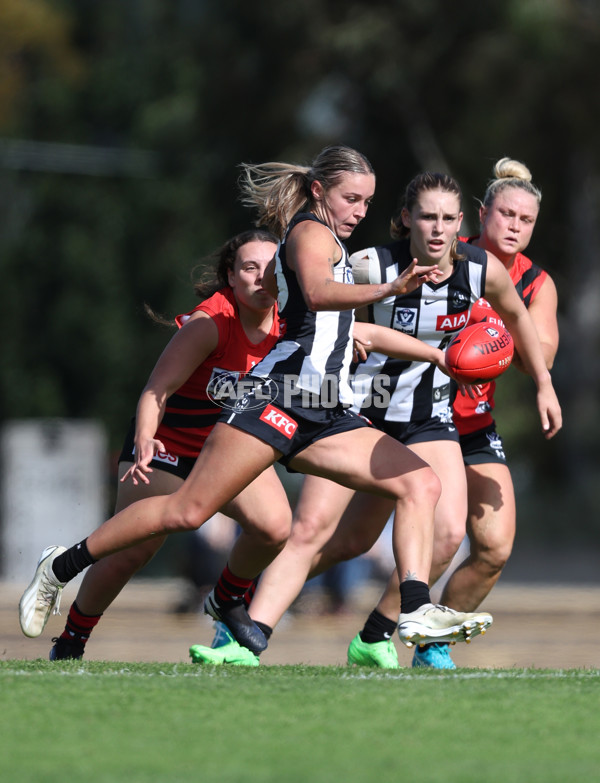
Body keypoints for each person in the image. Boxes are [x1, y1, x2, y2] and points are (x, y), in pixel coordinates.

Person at [19, 145, 494, 659]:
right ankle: (60, 566)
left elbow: (330, 314)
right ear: (318, 191)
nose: (360, 210)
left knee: (420, 482)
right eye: (351, 198)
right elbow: (314, 292)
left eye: (366, 201)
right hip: (281, 395)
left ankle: (415, 608)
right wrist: (390, 286)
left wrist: (439, 357)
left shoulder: (326, 239)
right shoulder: (313, 232)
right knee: (187, 511)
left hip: (326, 408)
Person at [191, 168, 561, 668]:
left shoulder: (480, 270)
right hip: (359, 409)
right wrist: (348, 335)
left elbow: (518, 318)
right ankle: (241, 636)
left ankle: (377, 633)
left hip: (429, 416)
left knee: (448, 533)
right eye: (427, 216)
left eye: (447, 218)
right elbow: (307, 303)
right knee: (325, 532)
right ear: (406, 218)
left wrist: (543, 384)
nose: (437, 228)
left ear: (460, 225)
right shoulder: (371, 265)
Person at [347, 157, 559, 669]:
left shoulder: (533, 284)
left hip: (472, 423)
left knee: (493, 546)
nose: (513, 226)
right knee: (344, 540)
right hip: (404, 415)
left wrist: (490, 342)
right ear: (478, 215)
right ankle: (253, 604)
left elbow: (542, 354)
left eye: (525, 220)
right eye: (505, 214)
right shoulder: (443, 256)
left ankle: (423, 641)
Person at [49, 229, 284, 664]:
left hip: (228, 446)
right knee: (131, 553)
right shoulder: (211, 322)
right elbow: (157, 389)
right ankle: (70, 642)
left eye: (271, 268)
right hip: (169, 442)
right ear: (230, 277)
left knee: (274, 527)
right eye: (249, 268)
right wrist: (143, 440)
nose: (261, 278)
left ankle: (225, 599)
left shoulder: (293, 321)